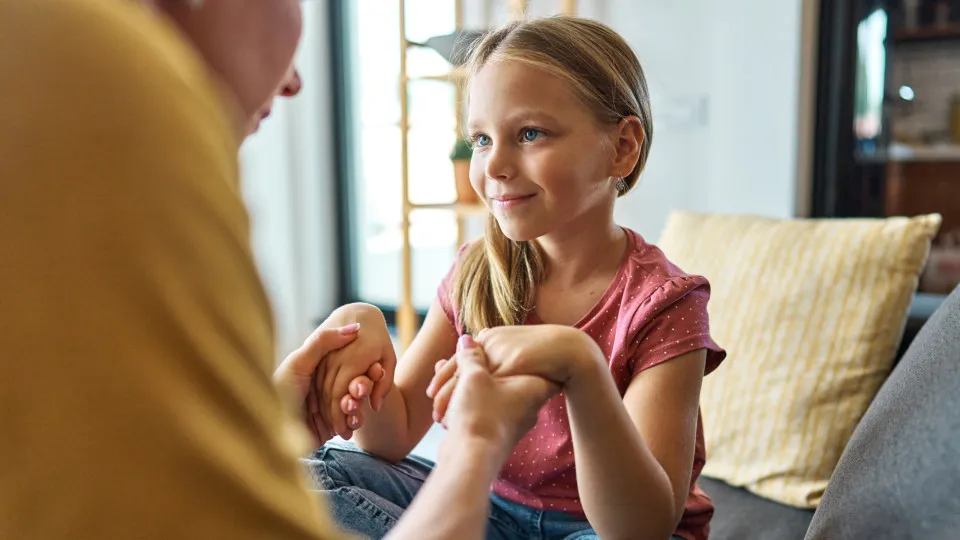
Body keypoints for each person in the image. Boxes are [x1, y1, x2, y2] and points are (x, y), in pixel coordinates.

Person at [0, 1, 558, 539]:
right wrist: (476, 447)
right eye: (480, 139)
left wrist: (266, 428)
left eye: (531, 133)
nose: (294, 82)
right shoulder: (100, 78)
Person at [309, 16, 727, 540]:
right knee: (313, 475)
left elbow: (639, 527)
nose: (495, 165)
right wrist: (363, 353)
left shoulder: (664, 303)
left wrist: (580, 365)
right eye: (481, 139)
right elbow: (391, 436)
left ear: (622, 147)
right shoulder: (477, 271)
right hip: (494, 514)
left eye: (530, 134)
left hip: (602, 529)